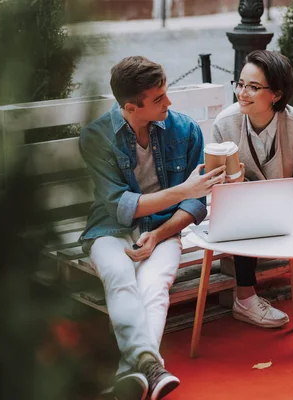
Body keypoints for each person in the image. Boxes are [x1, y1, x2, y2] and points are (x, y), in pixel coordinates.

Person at [78, 56, 226, 400]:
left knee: (155, 286)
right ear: (131, 107)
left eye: (166, 93)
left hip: (163, 229)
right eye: (158, 99)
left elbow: (193, 206)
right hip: (109, 229)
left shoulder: (185, 130)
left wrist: (159, 234)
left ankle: (132, 374)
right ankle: (152, 366)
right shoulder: (96, 138)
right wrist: (185, 190)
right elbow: (120, 206)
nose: (168, 103)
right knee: (120, 277)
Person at [211, 50, 293, 366]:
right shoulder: (225, 124)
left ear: (277, 94)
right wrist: (236, 186)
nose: (243, 93)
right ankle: (245, 299)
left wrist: (278, 205)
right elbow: (215, 182)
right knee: (240, 216)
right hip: (239, 205)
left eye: (254, 87)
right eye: (240, 84)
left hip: (292, 206)